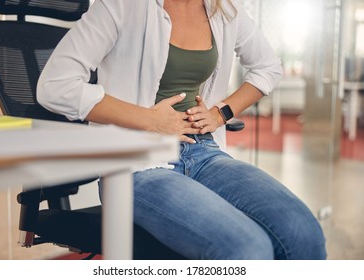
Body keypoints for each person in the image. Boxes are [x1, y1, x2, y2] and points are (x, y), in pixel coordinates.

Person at [37, 0, 326, 260]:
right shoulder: (121, 6)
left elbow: (268, 67)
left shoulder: (223, 8)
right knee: (246, 248)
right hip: (135, 166)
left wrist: (220, 112)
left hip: (204, 154)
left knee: (304, 234)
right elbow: (56, 86)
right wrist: (149, 120)